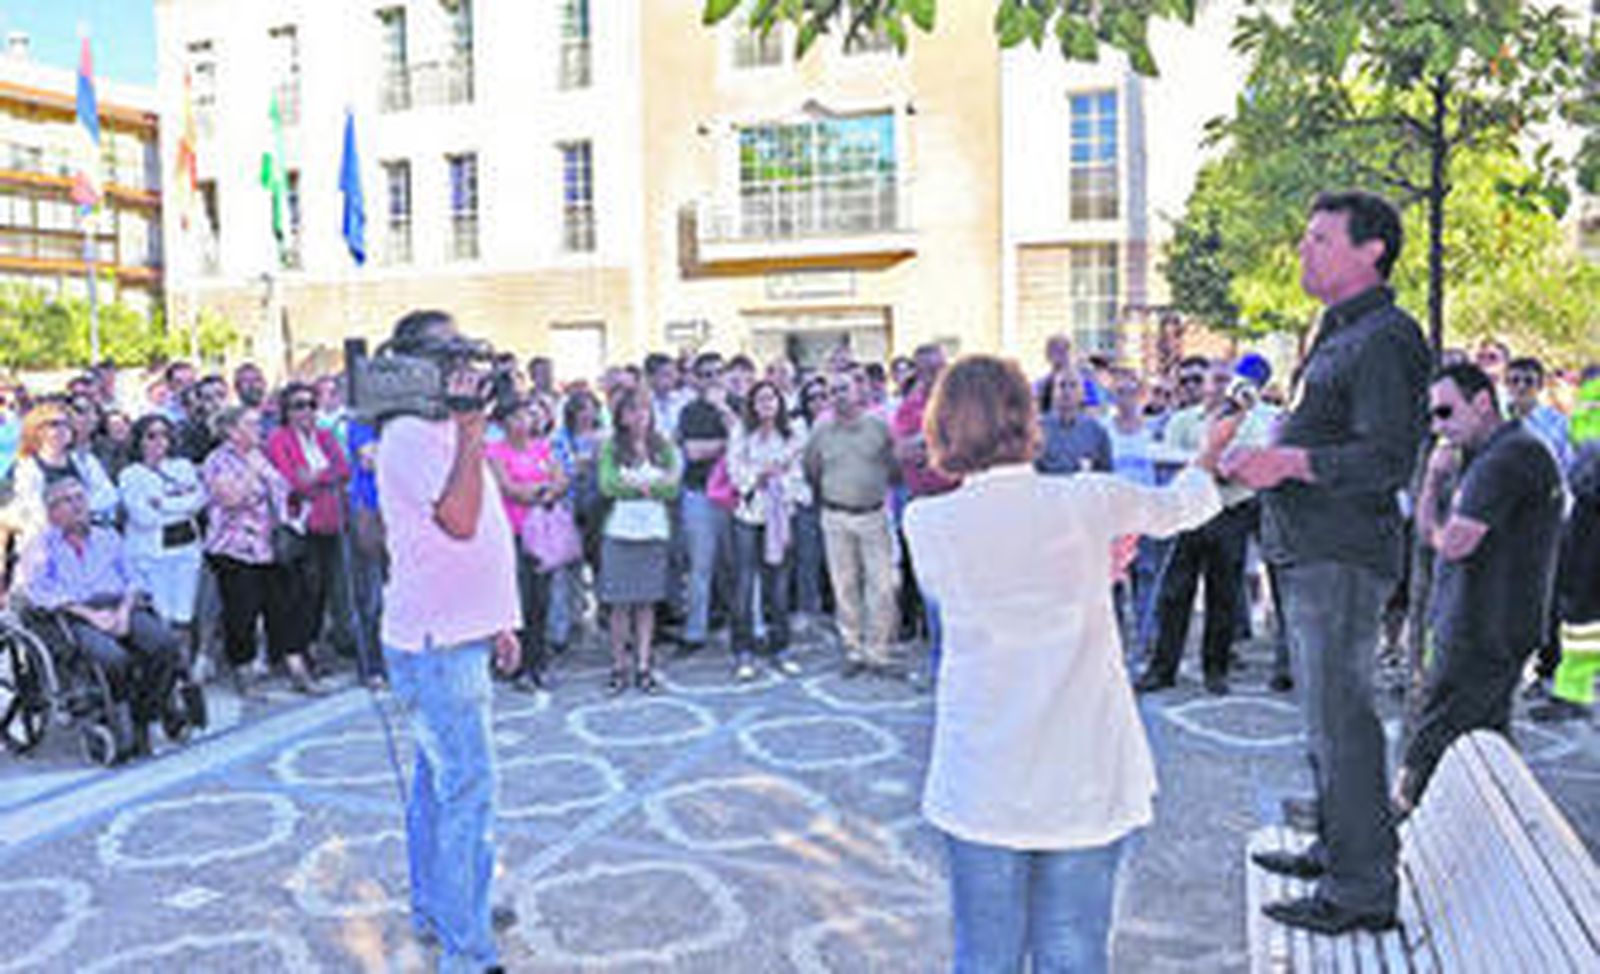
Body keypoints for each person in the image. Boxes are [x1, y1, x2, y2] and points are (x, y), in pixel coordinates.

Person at [903, 355, 1240, 973]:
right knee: (1075, 953)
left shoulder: (926, 522)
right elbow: (1184, 507)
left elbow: (982, 589)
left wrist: (1090, 564)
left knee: (984, 956)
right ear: (1024, 418)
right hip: (1082, 764)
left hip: (983, 769)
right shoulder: (1089, 500)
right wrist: (1211, 449)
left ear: (944, 425)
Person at [1226, 190, 1431, 935]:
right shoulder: (1337, 332)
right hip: (1311, 550)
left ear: (1370, 249)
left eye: (1320, 238)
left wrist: (1288, 462)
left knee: (1343, 721)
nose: (1304, 249)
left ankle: (1360, 892)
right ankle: (1338, 849)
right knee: (1323, 718)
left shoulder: (1386, 337)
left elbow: (1386, 459)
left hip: (1342, 554)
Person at [376, 310, 522, 974]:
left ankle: (443, 906)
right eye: (447, 352)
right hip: (436, 645)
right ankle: (467, 953)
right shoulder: (409, 434)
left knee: (441, 786)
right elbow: (460, 522)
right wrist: (470, 431)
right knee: (468, 789)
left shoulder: (446, 431)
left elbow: (485, 529)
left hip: (464, 632)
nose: (462, 361)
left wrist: (502, 618)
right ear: (411, 365)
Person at [1393, 363, 1565, 810]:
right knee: (1484, 739)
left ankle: (1392, 832)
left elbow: (1451, 543)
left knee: (1435, 735)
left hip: (1485, 628)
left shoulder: (1508, 458)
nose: (1439, 427)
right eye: (1433, 416)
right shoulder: (1496, 454)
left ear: (1483, 403)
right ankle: (1491, 826)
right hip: (1486, 622)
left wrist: (1432, 481)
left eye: (1446, 413)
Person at [16, 477, 185, 759]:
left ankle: (146, 714)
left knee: (165, 643)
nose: (77, 505)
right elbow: (40, 592)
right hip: (74, 614)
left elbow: (133, 578)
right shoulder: (41, 546)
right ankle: (120, 711)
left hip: (121, 605)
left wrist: (122, 612)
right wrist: (92, 616)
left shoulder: (108, 536)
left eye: (80, 497)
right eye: (67, 500)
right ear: (52, 512)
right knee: (112, 658)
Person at [1136, 358, 1274, 696]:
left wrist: (1205, 464)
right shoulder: (1182, 420)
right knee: (1174, 594)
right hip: (1186, 515)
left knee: (1223, 594)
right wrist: (1212, 464)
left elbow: (1243, 467)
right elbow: (1170, 465)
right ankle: (1162, 669)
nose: (1222, 385)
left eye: (1228, 379)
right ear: (1206, 383)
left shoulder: (1250, 422)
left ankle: (1216, 670)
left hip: (1229, 513)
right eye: (1216, 378)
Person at [202, 407, 319, 697]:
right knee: (242, 612)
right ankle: (244, 672)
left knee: (284, 606)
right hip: (234, 548)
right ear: (232, 431)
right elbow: (231, 499)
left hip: (269, 546)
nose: (259, 429)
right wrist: (252, 469)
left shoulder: (260, 454)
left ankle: (296, 668)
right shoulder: (218, 460)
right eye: (251, 425)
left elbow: (280, 491)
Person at [804, 367, 900, 677]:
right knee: (844, 586)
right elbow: (812, 470)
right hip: (835, 515)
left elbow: (894, 467)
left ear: (858, 391)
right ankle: (853, 650)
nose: (838, 397)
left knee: (882, 585)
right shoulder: (821, 431)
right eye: (832, 392)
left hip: (873, 515)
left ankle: (878, 652)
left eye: (843, 389)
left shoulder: (879, 426)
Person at [597, 385, 681, 694]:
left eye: (644, 409)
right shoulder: (611, 447)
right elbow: (608, 485)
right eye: (632, 409)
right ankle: (619, 665)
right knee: (619, 604)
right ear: (620, 415)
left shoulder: (663, 446)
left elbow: (672, 488)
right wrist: (646, 485)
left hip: (653, 529)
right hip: (620, 530)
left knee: (646, 602)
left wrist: (640, 484)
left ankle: (644, 664)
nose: (639, 416)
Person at [726, 379, 808, 681]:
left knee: (779, 584)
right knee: (745, 584)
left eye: (771, 399)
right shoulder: (741, 433)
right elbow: (735, 470)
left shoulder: (793, 434)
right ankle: (743, 650)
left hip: (781, 514)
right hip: (749, 515)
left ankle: (780, 648)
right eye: (760, 400)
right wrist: (759, 476)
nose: (766, 405)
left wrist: (780, 480)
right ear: (752, 404)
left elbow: (797, 473)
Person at [485, 395, 568, 692]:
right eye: (519, 416)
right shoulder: (494, 452)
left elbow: (561, 479)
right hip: (513, 533)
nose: (526, 422)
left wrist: (543, 491)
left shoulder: (543, 448)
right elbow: (507, 488)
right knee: (517, 599)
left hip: (542, 533)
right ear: (504, 422)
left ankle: (539, 662)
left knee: (541, 598)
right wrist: (540, 490)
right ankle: (516, 666)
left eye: (528, 416)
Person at [267, 382, 353, 664]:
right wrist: (325, 480)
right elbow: (292, 482)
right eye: (298, 405)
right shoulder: (279, 439)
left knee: (331, 586)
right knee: (306, 590)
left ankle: (317, 643)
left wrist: (316, 477)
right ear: (287, 411)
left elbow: (344, 469)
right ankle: (299, 649)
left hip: (333, 520)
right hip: (302, 525)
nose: (306, 411)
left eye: (311, 404)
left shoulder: (325, 436)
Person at [118, 415, 207, 633]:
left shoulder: (183, 467)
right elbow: (144, 518)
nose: (159, 441)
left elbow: (199, 500)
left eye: (164, 435)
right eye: (151, 436)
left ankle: (183, 663)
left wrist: (162, 503)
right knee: (161, 615)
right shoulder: (130, 475)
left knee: (184, 616)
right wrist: (181, 504)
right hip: (151, 555)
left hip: (187, 550)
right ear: (139, 440)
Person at [675, 352, 736, 655]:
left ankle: (748, 626)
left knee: (739, 564)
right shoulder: (689, 412)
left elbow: (749, 441)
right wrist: (728, 445)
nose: (713, 379)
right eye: (706, 374)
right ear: (696, 380)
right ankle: (695, 631)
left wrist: (725, 412)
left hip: (737, 496)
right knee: (701, 565)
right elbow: (694, 452)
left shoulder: (738, 406)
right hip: (699, 494)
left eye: (718, 372)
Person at [1034, 366, 1112, 476]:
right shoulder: (1038, 428)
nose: (1067, 391)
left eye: (1073, 385)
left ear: (1082, 394)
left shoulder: (1096, 431)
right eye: (1062, 385)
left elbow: (1105, 473)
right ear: (1053, 392)